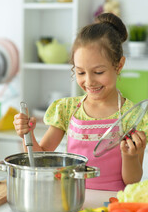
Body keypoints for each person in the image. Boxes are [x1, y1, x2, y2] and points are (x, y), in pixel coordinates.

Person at [13, 13, 148, 191]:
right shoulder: (67, 109)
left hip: (113, 204)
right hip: (71, 200)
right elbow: (40, 160)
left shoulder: (133, 116)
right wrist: (26, 135)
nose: (89, 81)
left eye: (98, 72)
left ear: (119, 65)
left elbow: (132, 182)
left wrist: (130, 156)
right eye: (81, 72)